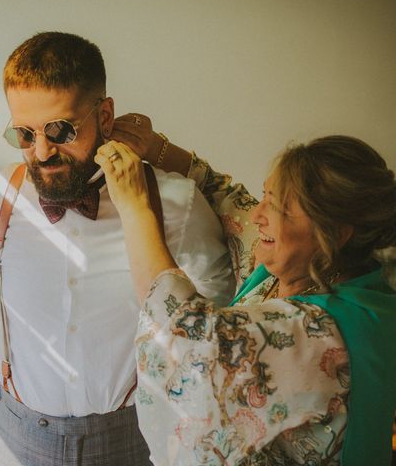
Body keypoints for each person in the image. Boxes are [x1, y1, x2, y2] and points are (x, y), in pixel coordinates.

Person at [0, 32, 236, 466]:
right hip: (15, 434)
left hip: (136, 438)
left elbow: (217, 305)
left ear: (105, 115)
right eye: (24, 133)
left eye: (60, 130)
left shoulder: (173, 202)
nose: (41, 151)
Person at [95, 131, 396, 465]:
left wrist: (136, 208)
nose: (258, 214)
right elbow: (227, 198)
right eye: (265, 194)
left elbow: (188, 335)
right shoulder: (296, 261)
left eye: (279, 206)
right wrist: (154, 146)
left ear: (336, 233)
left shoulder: (323, 334)